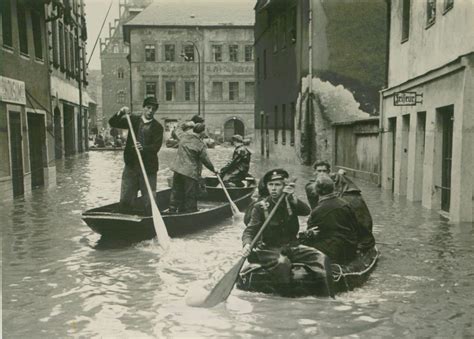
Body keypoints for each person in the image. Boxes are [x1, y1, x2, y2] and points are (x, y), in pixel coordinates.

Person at [242, 169, 330, 285]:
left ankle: (327, 295)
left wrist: (292, 197)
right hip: (270, 249)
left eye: (277, 185)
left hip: (292, 247)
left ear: (284, 186)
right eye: (270, 185)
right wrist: (247, 244)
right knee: (282, 263)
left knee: (321, 257)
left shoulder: (290, 202)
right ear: (267, 186)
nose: (273, 188)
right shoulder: (260, 207)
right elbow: (250, 230)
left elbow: (306, 211)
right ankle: (285, 297)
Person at [108, 96, 163, 215]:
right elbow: (112, 122)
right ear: (143, 108)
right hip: (131, 165)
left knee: (149, 199)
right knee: (126, 197)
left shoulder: (158, 127)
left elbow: (156, 147)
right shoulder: (132, 120)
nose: (150, 111)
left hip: (148, 168)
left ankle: (150, 219)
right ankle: (125, 220)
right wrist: (121, 112)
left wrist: (144, 148)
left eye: (153, 109)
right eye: (148, 108)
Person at [305, 160, 375, 252]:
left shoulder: (340, 188)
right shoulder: (312, 185)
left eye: (324, 171)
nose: (322, 174)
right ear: (314, 172)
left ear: (329, 172)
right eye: (319, 171)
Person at [299, 174, 359, 264]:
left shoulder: (318, 210)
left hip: (334, 251)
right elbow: (355, 227)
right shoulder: (345, 204)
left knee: (301, 245)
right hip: (350, 247)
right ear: (333, 188)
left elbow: (312, 234)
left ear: (317, 191)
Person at [168, 123, 217, 213]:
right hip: (190, 173)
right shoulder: (200, 144)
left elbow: (177, 129)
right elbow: (206, 161)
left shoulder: (183, 136)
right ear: (202, 132)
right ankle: (190, 211)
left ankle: (172, 209)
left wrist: (186, 124)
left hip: (178, 169)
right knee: (190, 193)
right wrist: (214, 169)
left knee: (176, 191)